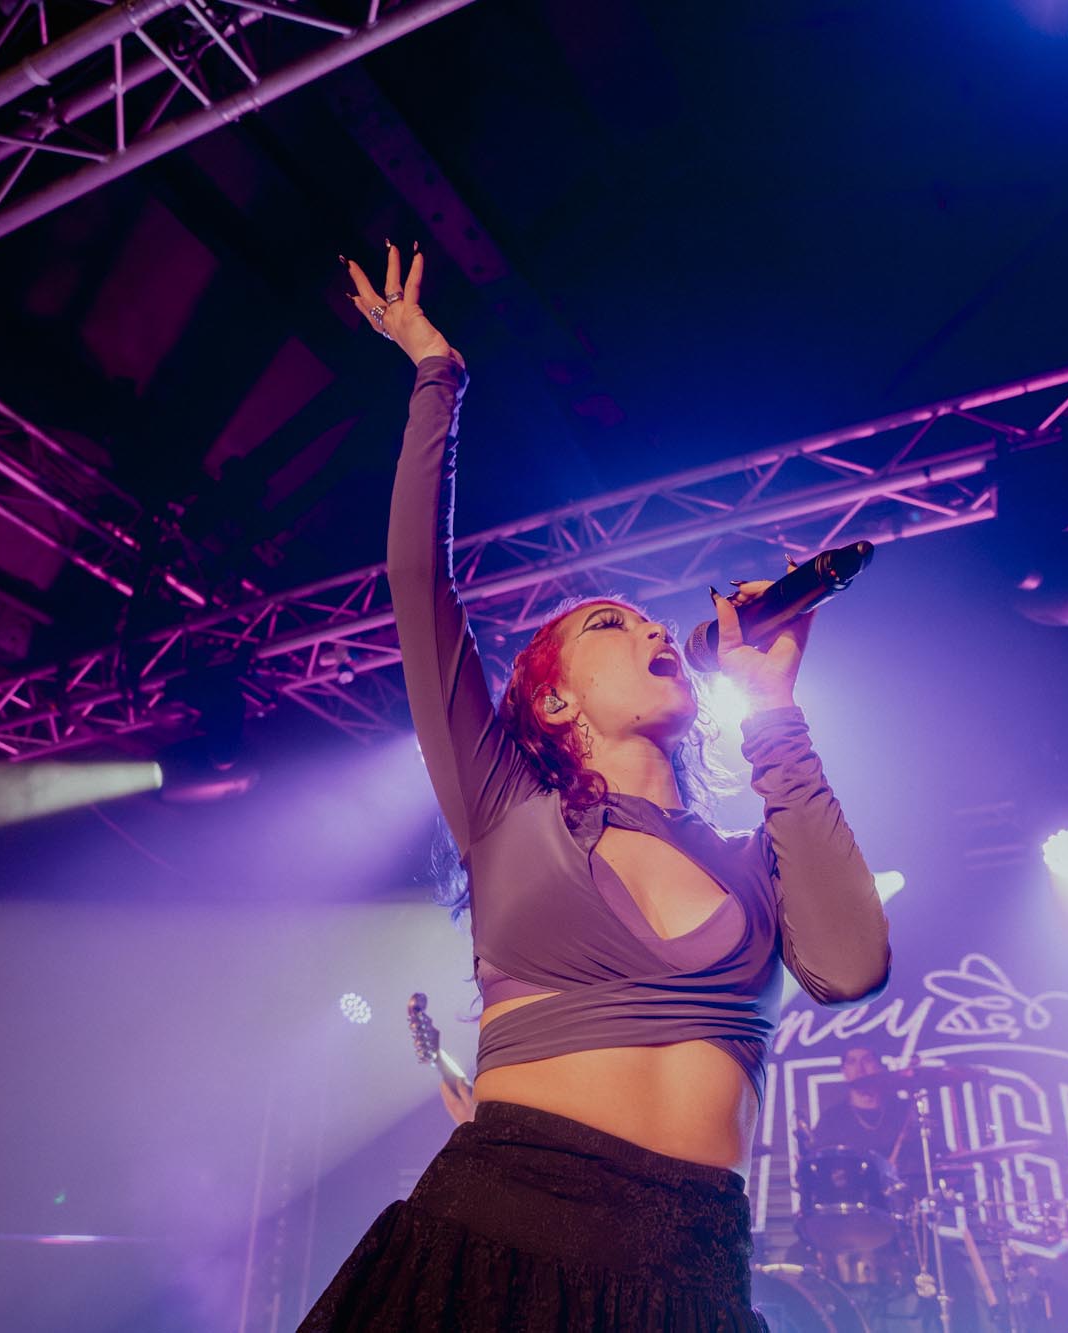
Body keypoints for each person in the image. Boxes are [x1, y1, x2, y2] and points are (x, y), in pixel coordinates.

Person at [297, 243, 891, 1331]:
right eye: (612, 625)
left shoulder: (749, 861)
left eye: (657, 622)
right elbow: (418, 583)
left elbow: (851, 967)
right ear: (556, 698)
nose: (656, 629)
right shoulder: (504, 811)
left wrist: (774, 710)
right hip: (494, 1243)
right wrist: (435, 374)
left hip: (689, 1278)